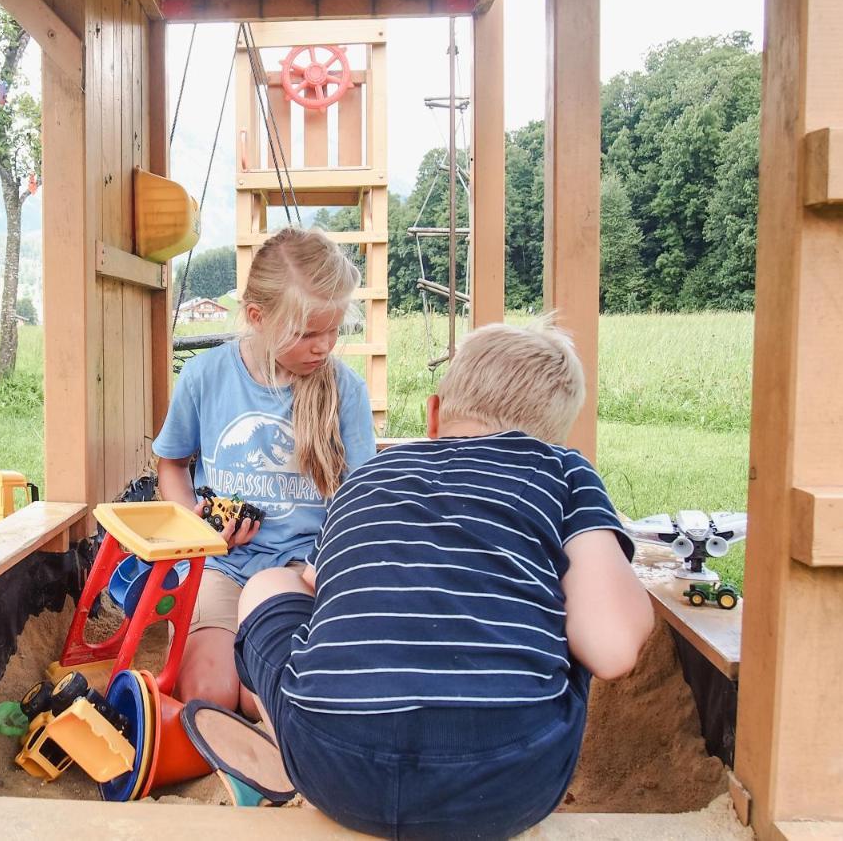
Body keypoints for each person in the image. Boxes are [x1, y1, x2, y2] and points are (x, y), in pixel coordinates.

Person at [233, 317, 654, 840]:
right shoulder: (561, 471)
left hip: (335, 768)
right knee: (568, 603)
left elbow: (321, 584)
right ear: (553, 435)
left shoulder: (366, 478)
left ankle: (284, 759)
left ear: (433, 413)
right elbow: (612, 648)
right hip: (507, 782)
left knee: (269, 585)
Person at [154, 227, 377, 717]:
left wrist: (323, 568)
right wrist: (196, 529)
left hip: (300, 572)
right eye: (308, 333)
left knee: (266, 699)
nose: (324, 347)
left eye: (333, 330)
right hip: (219, 565)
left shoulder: (345, 390)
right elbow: (171, 463)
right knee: (206, 695)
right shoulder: (204, 377)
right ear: (257, 317)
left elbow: (362, 500)